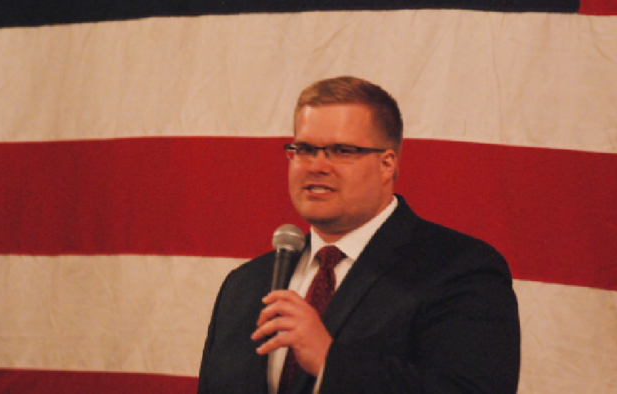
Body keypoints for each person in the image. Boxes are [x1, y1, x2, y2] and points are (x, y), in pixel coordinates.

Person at [197, 76, 520, 394]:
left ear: (387, 164)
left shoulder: (459, 269)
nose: (316, 165)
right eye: (305, 148)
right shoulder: (244, 285)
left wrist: (330, 362)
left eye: (341, 150)